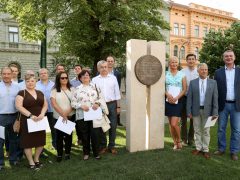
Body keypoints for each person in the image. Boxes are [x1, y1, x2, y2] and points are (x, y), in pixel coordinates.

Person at [72, 69, 107, 160]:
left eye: (87, 75)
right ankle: (86, 153)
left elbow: (101, 98)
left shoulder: (95, 87)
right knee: (84, 135)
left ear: (89, 77)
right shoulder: (77, 89)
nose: (86, 77)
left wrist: (97, 103)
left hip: (94, 114)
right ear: (80, 78)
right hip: (82, 115)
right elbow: (73, 103)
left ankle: (96, 153)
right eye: (83, 76)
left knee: (95, 134)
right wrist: (81, 106)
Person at [15, 74, 48, 170]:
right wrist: (30, 115)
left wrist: (42, 114)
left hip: (40, 119)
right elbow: (19, 106)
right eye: (28, 81)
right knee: (27, 141)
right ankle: (31, 162)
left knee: (40, 141)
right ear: (25, 83)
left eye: (32, 81)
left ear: (35, 82)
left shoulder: (40, 93)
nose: (30, 83)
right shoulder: (22, 93)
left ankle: (36, 159)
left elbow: (45, 105)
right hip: (27, 120)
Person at [187, 63, 218, 159]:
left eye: (206, 69)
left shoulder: (213, 82)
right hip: (196, 110)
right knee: (197, 130)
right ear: (198, 71)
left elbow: (215, 98)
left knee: (206, 131)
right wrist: (188, 111)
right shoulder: (193, 82)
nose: (204, 71)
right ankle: (198, 148)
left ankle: (206, 149)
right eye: (202, 69)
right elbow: (189, 98)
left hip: (209, 111)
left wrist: (215, 113)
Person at [214, 50, 240, 161]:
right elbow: (215, 91)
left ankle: (234, 151)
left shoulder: (239, 71)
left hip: (236, 105)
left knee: (237, 130)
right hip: (222, 105)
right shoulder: (218, 72)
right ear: (223, 58)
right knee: (221, 129)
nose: (228, 58)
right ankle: (221, 148)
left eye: (230, 56)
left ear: (234, 58)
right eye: (226, 56)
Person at [92, 60, 121, 154]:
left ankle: (111, 146)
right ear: (98, 68)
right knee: (102, 127)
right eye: (102, 67)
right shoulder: (94, 80)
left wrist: (118, 106)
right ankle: (103, 146)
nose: (104, 69)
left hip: (112, 104)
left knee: (113, 126)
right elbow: (93, 94)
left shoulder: (113, 78)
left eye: (105, 67)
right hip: (100, 105)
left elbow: (117, 93)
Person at [51, 72, 75, 162]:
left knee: (68, 135)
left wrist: (67, 113)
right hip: (58, 117)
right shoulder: (54, 90)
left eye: (66, 78)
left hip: (70, 116)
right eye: (62, 78)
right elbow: (54, 103)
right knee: (59, 137)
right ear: (58, 79)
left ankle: (68, 153)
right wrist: (62, 114)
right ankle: (59, 154)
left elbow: (74, 102)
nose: (64, 79)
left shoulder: (72, 89)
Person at [0, 67, 20, 171]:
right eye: (4, 74)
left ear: (12, 74)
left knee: (13, 140)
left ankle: (13, 159)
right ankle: (0, 163)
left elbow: (20, 102)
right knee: (0, 141)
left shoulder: (17, 87)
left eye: (8, 74)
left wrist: (18, 118)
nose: (6, 76)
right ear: (1, 74)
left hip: (14, 117)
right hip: (1, 117)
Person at [165, 56, 187, 150]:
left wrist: (177, 97)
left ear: (178, 64)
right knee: (170, 123)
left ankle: (179, 141)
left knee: (174, 123)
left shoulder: (182, 74)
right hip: (168, 100)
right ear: (169, 64)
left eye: (175, 62)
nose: (174, 64)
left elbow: (184, 88)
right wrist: (167, 95)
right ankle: (174, 142)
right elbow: (162, 87)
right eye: (172, 62)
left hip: (178, 101)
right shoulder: (165, 74)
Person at [181, 54, 199, 146]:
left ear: (195, 60)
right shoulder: (182, 72)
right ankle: (183, 140)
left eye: (193, 59)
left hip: (195, 99)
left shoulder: (198, 72)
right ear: (187, 61)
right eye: (189, 59)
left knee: (193, 120)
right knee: (183, 120)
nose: (191, 61)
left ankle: (191, 139)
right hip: (184, 98)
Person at [36, 68, 55, 149]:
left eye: (45, 73)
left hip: (52, 110)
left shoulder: (54, 84)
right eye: (41, 73)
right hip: (40, 111)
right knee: (40, 130)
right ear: (39, 75)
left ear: (48, 74)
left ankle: (55, 145)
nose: (43, 74)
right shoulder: (35, 85)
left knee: (54, 129)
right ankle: (41, 149)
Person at [106, 56, 122, 126]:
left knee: (113, 120)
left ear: (114, 62)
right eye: (108, 61)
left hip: (113, 100)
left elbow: (118, 88)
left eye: (111, 61)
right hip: (103, 100)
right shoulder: (100, 73)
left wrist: (118, 105)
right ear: (106, 62)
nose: (110, 62)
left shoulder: (117, 74)